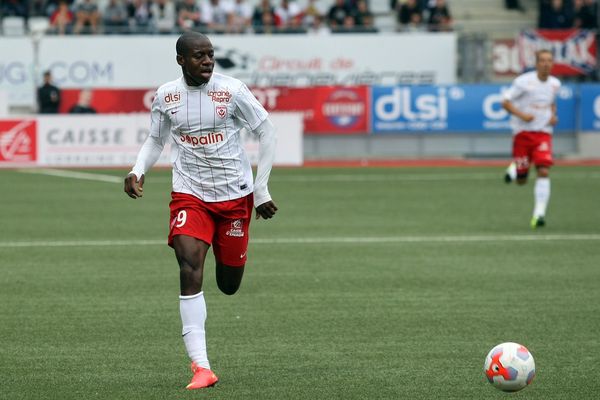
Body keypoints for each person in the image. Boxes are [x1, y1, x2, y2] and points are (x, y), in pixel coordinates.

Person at [123, 32, 278, 390]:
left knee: (228, 284)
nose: (207, 61)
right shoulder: (167, 96)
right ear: (181, 60)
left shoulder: (232, 91)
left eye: (211, 55)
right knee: (189, 264)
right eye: (199, 56)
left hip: (234, 198)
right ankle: (201, 367)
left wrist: (261, 189)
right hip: (189, 195)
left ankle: (233, 258)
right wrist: (137, 169)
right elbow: (156, 139)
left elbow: (267, 131)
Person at [502, 49, 560, 228]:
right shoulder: (523, 82)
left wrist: (552, 116)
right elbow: (505, 102)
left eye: (549, 61)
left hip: (543, 133)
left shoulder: (555, 84)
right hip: (522, 133)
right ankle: (516, 169)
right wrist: (522, 115)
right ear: (536, 64)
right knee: (522, 180)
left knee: (543, 170)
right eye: (542, 60)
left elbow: (551, 103)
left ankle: (539, 214)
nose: (546, 64)